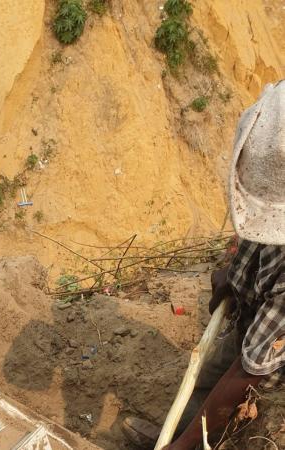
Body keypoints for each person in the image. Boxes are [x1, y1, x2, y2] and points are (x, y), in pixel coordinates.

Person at [122, 80, 285, 449]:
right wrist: (236, 273)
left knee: (235, 392)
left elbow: (249, 370)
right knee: (206, 376)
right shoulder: (278, 115)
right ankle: (177, 434)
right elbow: (260, 231)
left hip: (275, 353)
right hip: (256, 317)